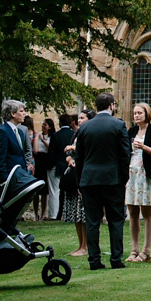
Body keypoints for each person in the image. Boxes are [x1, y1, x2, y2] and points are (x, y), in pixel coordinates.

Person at [73, 92, 131, 270]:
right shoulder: (118, 125)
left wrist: (80, 182)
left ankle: (94, 260)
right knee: (115, 220)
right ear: (112, 105)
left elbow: (79, 157)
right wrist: (123, 178)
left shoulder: (84, 127)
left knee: (92, 221)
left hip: (89, 179)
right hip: (113, 179)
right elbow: (124, 155)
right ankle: (116, 259)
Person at [126, 102, 151, 262]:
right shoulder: (131, 131)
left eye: (139, 113)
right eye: (134, 113)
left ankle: (146, 250)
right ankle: (134, 249)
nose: (136, 115)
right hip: (132, 173)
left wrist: (143, 147)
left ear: (147, 114)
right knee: (132, 212)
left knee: (146, 212)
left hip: (146, 172)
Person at [61, 110, 93, 257]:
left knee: (83, 213)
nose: (79, 120)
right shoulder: (76, 134)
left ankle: (85, 246)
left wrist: (74, 148)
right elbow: (68, 155)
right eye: (78, 118)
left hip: (84, 176)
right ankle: (80, 244)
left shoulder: (90, 134)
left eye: (82, 118)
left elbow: (89, 152)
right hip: (72, 175)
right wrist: (70, 159)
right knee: (76, 214)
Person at [0, 99, 34, 186]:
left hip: (19, 178)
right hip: (8, 181)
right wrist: (5, 180)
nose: (24, 113)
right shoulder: (2, 132)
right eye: (21, 111)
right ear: (13, 114)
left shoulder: (20, 132)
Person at [46, 114, 74, 220]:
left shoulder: (56, 135)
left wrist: (49, 165)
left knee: (54, 191)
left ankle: (54, 214)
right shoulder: (72, 134)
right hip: (69, 165)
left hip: (57, 166)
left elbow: (51, 152)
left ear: (60, 122)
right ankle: (66, 214)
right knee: (68, 192)